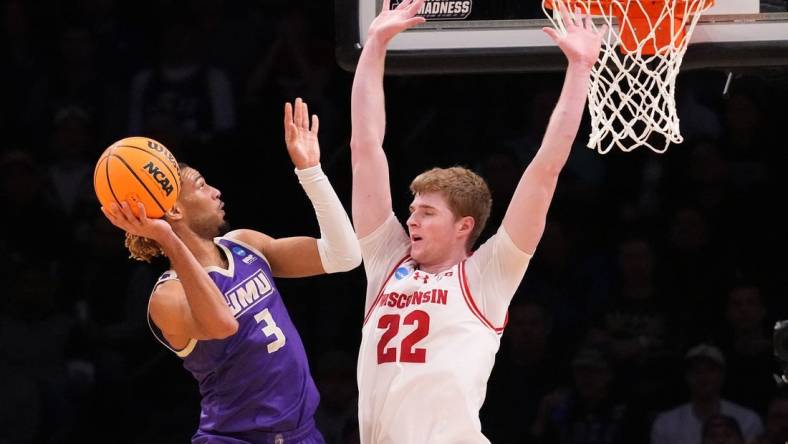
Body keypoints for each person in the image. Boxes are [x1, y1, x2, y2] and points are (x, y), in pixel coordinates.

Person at [348, 0, 606, 441]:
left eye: (427, 213)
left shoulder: (488, 274)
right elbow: (365, 147)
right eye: (412, 211)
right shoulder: (386, 260)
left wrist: (580, 67)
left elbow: (544, 171)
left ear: (464, 226)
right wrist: (375, 44)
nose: (412, 220)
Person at [101, 98, 362, 444]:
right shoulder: (167, 295)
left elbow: (345, 256)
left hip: (303, 434)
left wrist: (310, 171)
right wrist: (165, 236)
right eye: (202, 185)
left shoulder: (245, 244)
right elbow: (223, 324)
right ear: (175, 212)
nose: (216, 192)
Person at [650, 344, 763, 444]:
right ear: (687, 377)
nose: (703, 376)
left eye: (710, 370)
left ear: (722, 375)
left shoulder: (748, 421)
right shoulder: (665, 424)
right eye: (696, 370)